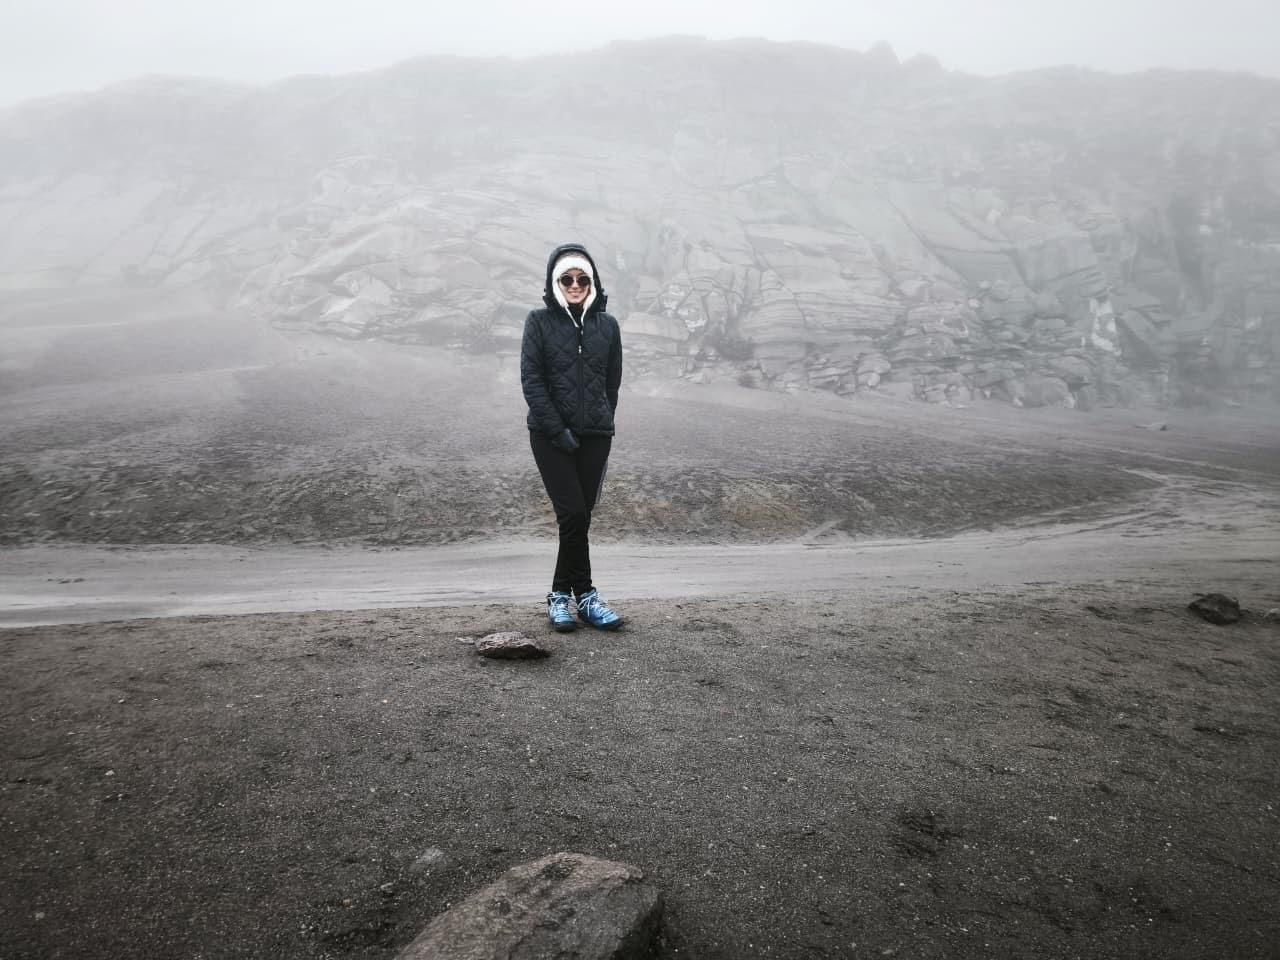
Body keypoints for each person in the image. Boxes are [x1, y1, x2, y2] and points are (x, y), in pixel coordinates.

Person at [521, 243, 624, 632]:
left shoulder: (608, 326)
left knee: (579, 520)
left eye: (582, 278)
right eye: (567, 279)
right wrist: (557, 430)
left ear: (592, 281)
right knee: (573, 514)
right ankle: (586, 596)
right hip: (549, 437)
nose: (575, 285)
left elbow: (612, 383)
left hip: (595, 435)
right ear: (556, 282)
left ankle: (560, 596)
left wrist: (602, 419)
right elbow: (532, 381)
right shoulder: (538, 322)